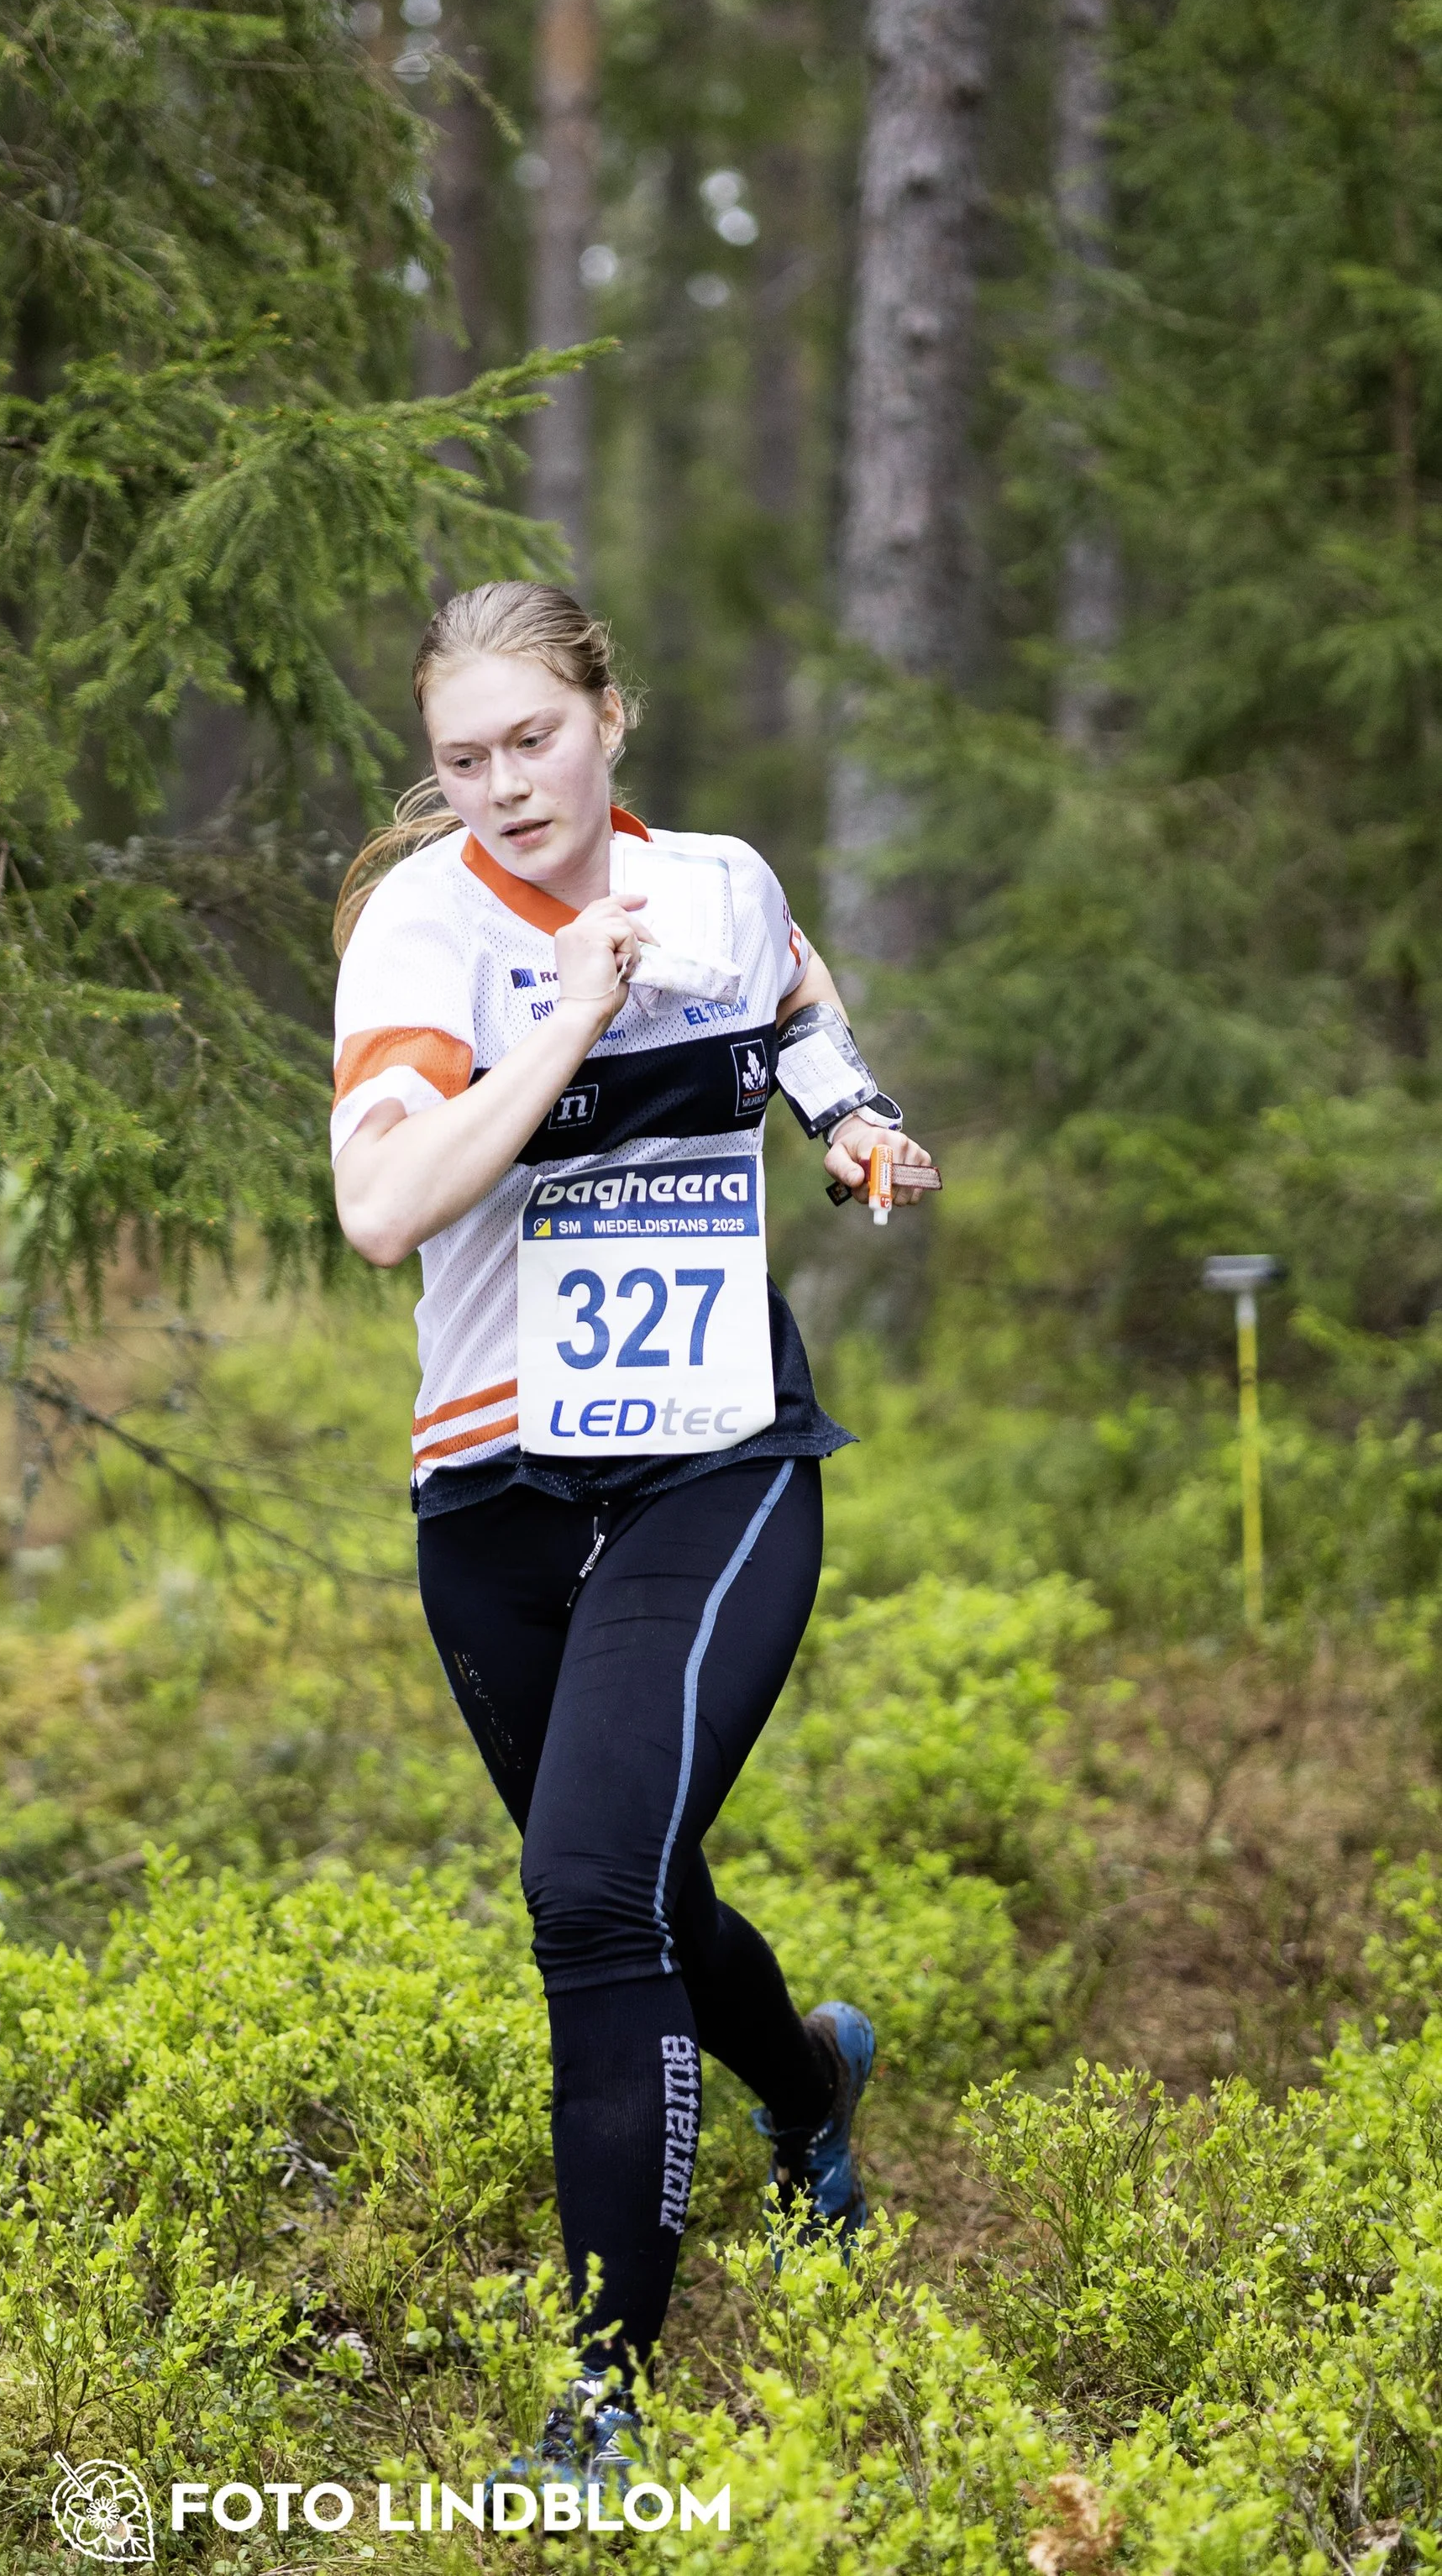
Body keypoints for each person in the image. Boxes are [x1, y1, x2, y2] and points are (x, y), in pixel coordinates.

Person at [328, 581, 936, 2477]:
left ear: (610, 719)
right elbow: (383, 1206)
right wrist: (571, 1017)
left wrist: (848, 1118)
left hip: (712, 1453)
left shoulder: (724, 883)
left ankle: (599, 2394)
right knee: (644, 1886)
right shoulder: (418, 927)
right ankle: (807, 2076)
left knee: (584, 1892)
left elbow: (794, 995)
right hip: (492, 1482)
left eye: (533, 738)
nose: (503, 785)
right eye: (461, 756)